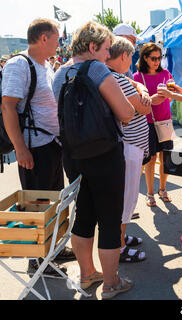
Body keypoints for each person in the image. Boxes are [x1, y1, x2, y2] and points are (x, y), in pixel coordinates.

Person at [53, 21, 135, 299]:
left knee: (84, 214)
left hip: (73, 156)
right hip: (105, 155)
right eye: (106, 49)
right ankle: (111, 283)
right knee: (110, 219)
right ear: (91, 47)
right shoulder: (97, 69)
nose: (108, 55)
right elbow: (125, 113)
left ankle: (87, 274)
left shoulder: (59, 74)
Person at [1, 18, 75, 275]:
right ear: (44, 38)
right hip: (34, 148)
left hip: (51, 145)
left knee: (54, 202)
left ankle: (52, 250)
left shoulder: (44, 65)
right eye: (57, 40)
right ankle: (37, 261)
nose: (59, 44)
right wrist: (20, 149)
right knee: (37, 205)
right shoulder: (18, 64)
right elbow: (8, 106)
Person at [105, 37, 152, 263]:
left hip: (126, 147)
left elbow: (137, 90)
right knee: (126, 199)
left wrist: (141, 87)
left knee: (125, 197)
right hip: (129, 147)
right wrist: (148, 97)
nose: (132, 61)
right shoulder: (119, 80)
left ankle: (120, 239)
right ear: (123, 55)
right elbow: (143, 108)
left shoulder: (113, 77)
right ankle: (119, 246)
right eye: (131, 56)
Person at [134, 43, 174, 207]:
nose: (157, 61)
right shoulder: (137, 77)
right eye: (153, 58)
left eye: (160, 57)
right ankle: (150, 193)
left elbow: (171, 96)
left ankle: (163, 189)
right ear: (145, 58)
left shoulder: (166, 74)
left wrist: (168, 96)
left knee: (166, 157)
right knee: (151, 158)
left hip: (165, 120)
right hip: (147, 122)